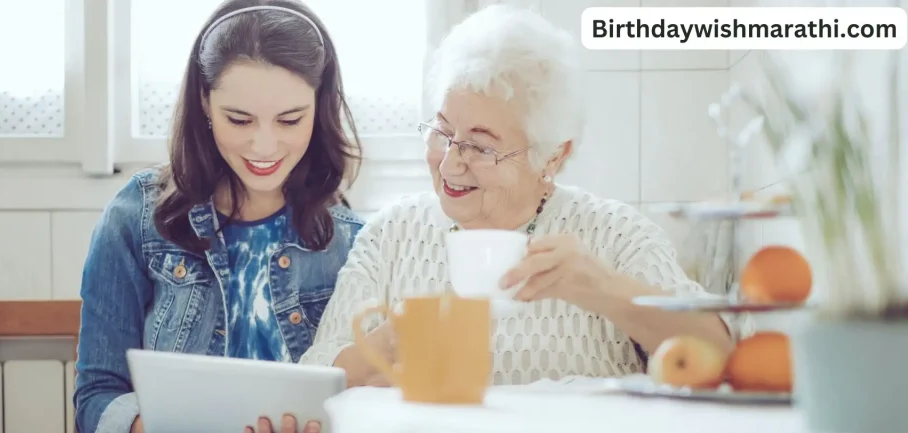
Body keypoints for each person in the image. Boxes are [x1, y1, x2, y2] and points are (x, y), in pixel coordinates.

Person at [300, 5, 744, 387]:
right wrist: (387, 345)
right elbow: (314, 377)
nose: (451, 164)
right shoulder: (391, 234)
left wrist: (603, 289)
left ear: (551, 157)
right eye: (443, 132)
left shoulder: (613, 234)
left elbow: (723, 355)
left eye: (481, 146)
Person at [74, 0, 363, 433]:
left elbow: (365, 418)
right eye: (239, 119)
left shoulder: (352, 242)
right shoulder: (137, 216)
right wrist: (180, 421)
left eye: (290, 120)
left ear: (320, 104)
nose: (264, 146)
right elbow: (95, 403)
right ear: (205, 101)